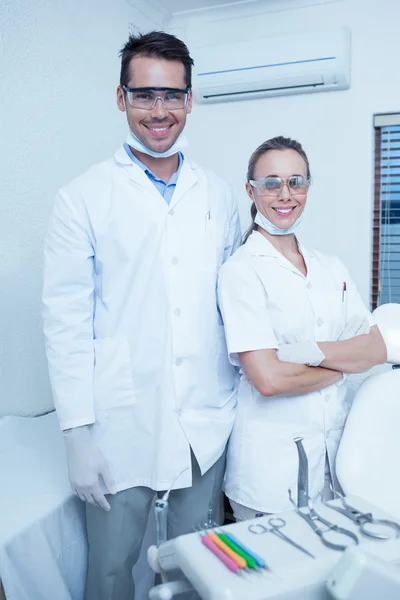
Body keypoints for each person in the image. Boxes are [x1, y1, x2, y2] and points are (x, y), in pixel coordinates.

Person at [42, 31, 241, 600]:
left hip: (204, 422)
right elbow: (66, 321)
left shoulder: (220, 196)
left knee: (197, 568)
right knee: (110, 571)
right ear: (121, 98)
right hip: (119, 427)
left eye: (172, 96)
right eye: (145, 95)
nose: (160, 111)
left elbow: (231, 302)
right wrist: (76, 433)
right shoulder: (82, 197)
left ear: (190, 100)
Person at [217, 136, 387, 522]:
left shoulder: (329, 267)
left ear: (308, 187)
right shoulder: (241, 271)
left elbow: (375, 349)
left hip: (335, 463)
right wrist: (343, 363)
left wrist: (304, 352)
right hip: (269, 474)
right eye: (272, 182)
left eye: (296, 181)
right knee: (275, 579)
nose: (285, 194)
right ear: (251, 190)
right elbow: (269, 379)